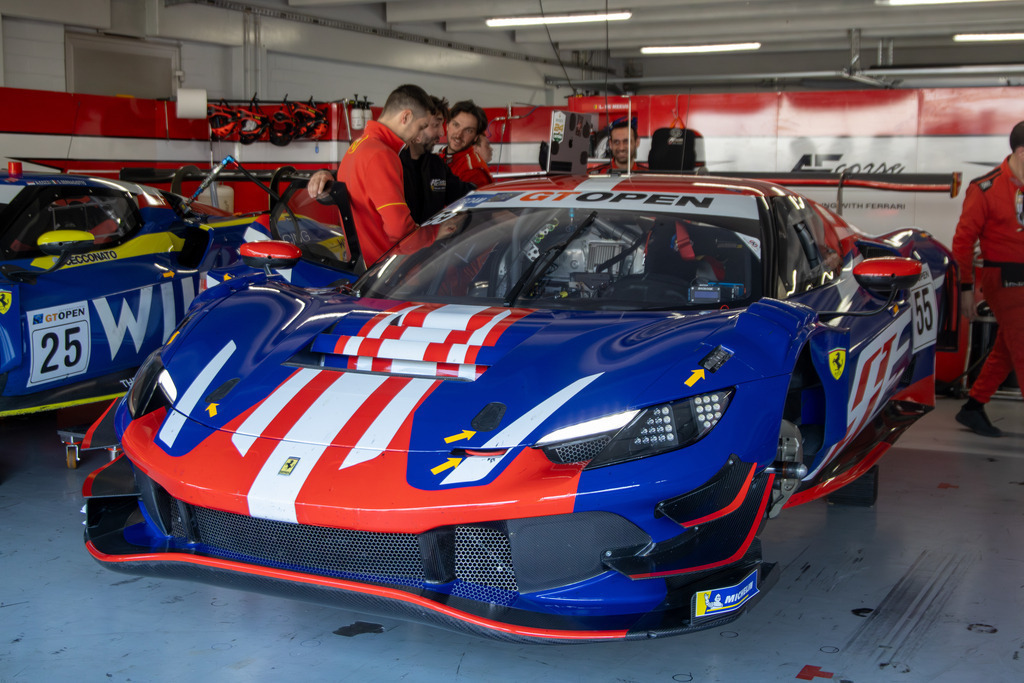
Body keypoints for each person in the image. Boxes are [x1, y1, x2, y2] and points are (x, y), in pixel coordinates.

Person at [306, 84, 451, 266]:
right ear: (406, 117)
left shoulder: (357, 147)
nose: (419, 137)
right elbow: (401, 232)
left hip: (365, 268)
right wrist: (435, 233)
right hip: (388, 275)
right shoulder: (381, 155)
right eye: (421, 127)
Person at [951, 120, 1024, 437]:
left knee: (1008, 348)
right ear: (1022, 152)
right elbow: (963, 241)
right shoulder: (986, 188)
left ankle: (973, 407)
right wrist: (966, 288)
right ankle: (973, 407)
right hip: (1002, 277)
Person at [400, 95, 475, 223]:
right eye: (435, 125)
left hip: (435, 242)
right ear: (417, 125)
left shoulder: (435, 165)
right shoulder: (392, 165)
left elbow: (465, 194)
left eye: (442, 125)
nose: (441, 132)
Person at [440, 100, 492, 187]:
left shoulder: (474, 171)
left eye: (468, 130)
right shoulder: (439, 157)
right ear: (447, 125)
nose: (458, 135)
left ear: (476, 137)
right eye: (456, 125)